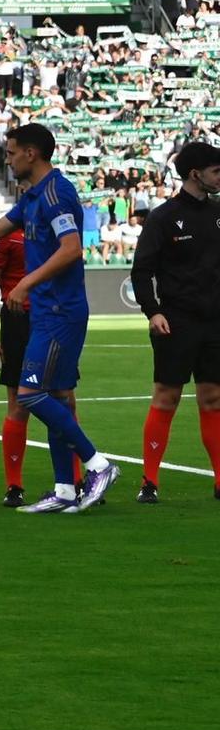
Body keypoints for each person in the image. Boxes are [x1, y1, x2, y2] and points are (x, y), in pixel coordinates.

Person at [0, 123, 121, 512]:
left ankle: (98, 464)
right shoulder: (32, 197)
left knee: (30, 394)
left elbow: (71, 248)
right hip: (45, 311)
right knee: (56, 396)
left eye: (11, 153)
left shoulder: (57, 194)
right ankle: (64, 490)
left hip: (59, 311)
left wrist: (25, 283)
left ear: (31, 153)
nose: (7, 160)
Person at [129, 140, 220, 502]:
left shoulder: (218, 213)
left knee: (213, 399)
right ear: (196, 174)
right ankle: (149, 481)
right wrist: (153, 311)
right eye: (216, 171)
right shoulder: (163, 217)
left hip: (215, 323)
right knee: (167, 397)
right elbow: (141, 271)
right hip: (176, 322)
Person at [0, 224, 34, 506]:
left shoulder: (52, 225)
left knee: (65, 399)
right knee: (18, 402)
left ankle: (73, 481)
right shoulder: (4, 234)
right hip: (18, 320)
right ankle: (14, 485)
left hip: (51, 317)